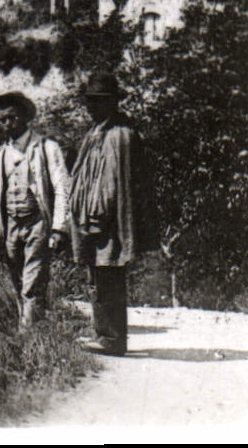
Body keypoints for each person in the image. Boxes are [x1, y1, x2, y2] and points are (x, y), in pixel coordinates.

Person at [67, 70, 157, 356]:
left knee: (109, 276)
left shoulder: (120, 136)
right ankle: (103, 333)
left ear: (112, 103)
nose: (91, 107)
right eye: (89, 101)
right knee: (97, 276)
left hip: (108, 221)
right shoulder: (96, 134)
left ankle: (112, 338)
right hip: (93, 220)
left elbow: (113, 184)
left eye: (98, 101)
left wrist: (98, 215)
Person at [0, 91, 71, 325]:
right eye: (3, 119)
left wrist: (59, 227)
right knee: (18, 281)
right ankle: (35, 327)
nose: (8, 124)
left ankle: (27, 335)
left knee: (33, 280)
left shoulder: (46, 147)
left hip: (38, 223)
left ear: (24, 117)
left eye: (13, 117)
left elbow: (63, 188)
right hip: (10, 224)